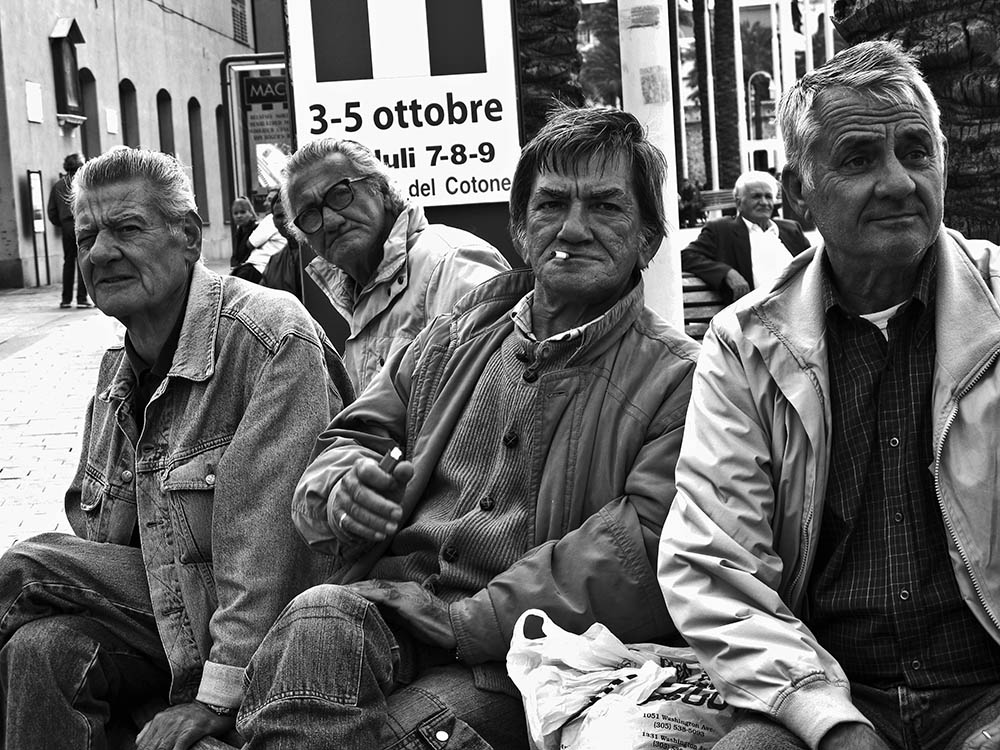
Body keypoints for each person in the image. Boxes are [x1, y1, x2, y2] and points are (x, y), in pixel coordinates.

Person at [236, 105, 700, 750]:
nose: (574, 227)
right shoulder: (456, 334)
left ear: (648, 238)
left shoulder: (677, 378)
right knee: (319, 614)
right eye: (551, 205)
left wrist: (465, 621)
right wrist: (340, 491)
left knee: (400, 736)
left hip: (520, 660)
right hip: (391, 610)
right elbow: (348, 438)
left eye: (606, 206)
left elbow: (642, 550)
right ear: (520, 226)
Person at [659, 40, 1000, 750]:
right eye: (858, 159)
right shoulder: (746, 344)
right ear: (797, 190)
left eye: (916, 150)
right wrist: (829, 721)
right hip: (832, 685)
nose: (899, 181)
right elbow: (715, 564)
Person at [0, 147, 354, 750]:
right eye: (86, 237)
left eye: (127, 229)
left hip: (264, 628)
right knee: (41, 649)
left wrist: (217, 695)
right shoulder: (117, 368)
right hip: (158, 618)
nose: (100, 253)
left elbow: (270, 548)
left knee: (27, 567)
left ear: (188, 236)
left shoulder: (271, 338)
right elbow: (100, 547)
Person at [283, 137, 511, 392]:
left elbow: (499, 396)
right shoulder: (361, 292)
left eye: (340, 194)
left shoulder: (450, 263)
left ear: (382, 190)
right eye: (310, 215)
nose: (331, 221)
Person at [680, 169, 810, 301]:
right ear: (738, 203)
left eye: (768, 196)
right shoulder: (722, 230)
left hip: (799, 307)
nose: (764, 202)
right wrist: (727, 273)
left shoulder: (791, 229)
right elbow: (687, 256)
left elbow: (813, 263)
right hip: (755, 314)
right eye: (756, 196)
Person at [47, 152, 91, 308]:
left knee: (68, 261)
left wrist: (61, 223)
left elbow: (51, 211)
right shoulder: (84, 183)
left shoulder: (58, 184)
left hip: (66, 226)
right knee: (83, 259)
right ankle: (82, 298)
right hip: (82, 224)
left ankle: (66, 300)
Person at [262, 186, 306, 299]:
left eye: (288, 214)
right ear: (273, 221)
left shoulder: (323, 256)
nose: (286, 222)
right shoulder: (274, 263)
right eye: (279, 216)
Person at [229, 196, 257, 272]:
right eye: (235, 213)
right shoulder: (239, 232)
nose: (239, 216)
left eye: (243, 212)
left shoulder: (256, 229)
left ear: (250, 213)